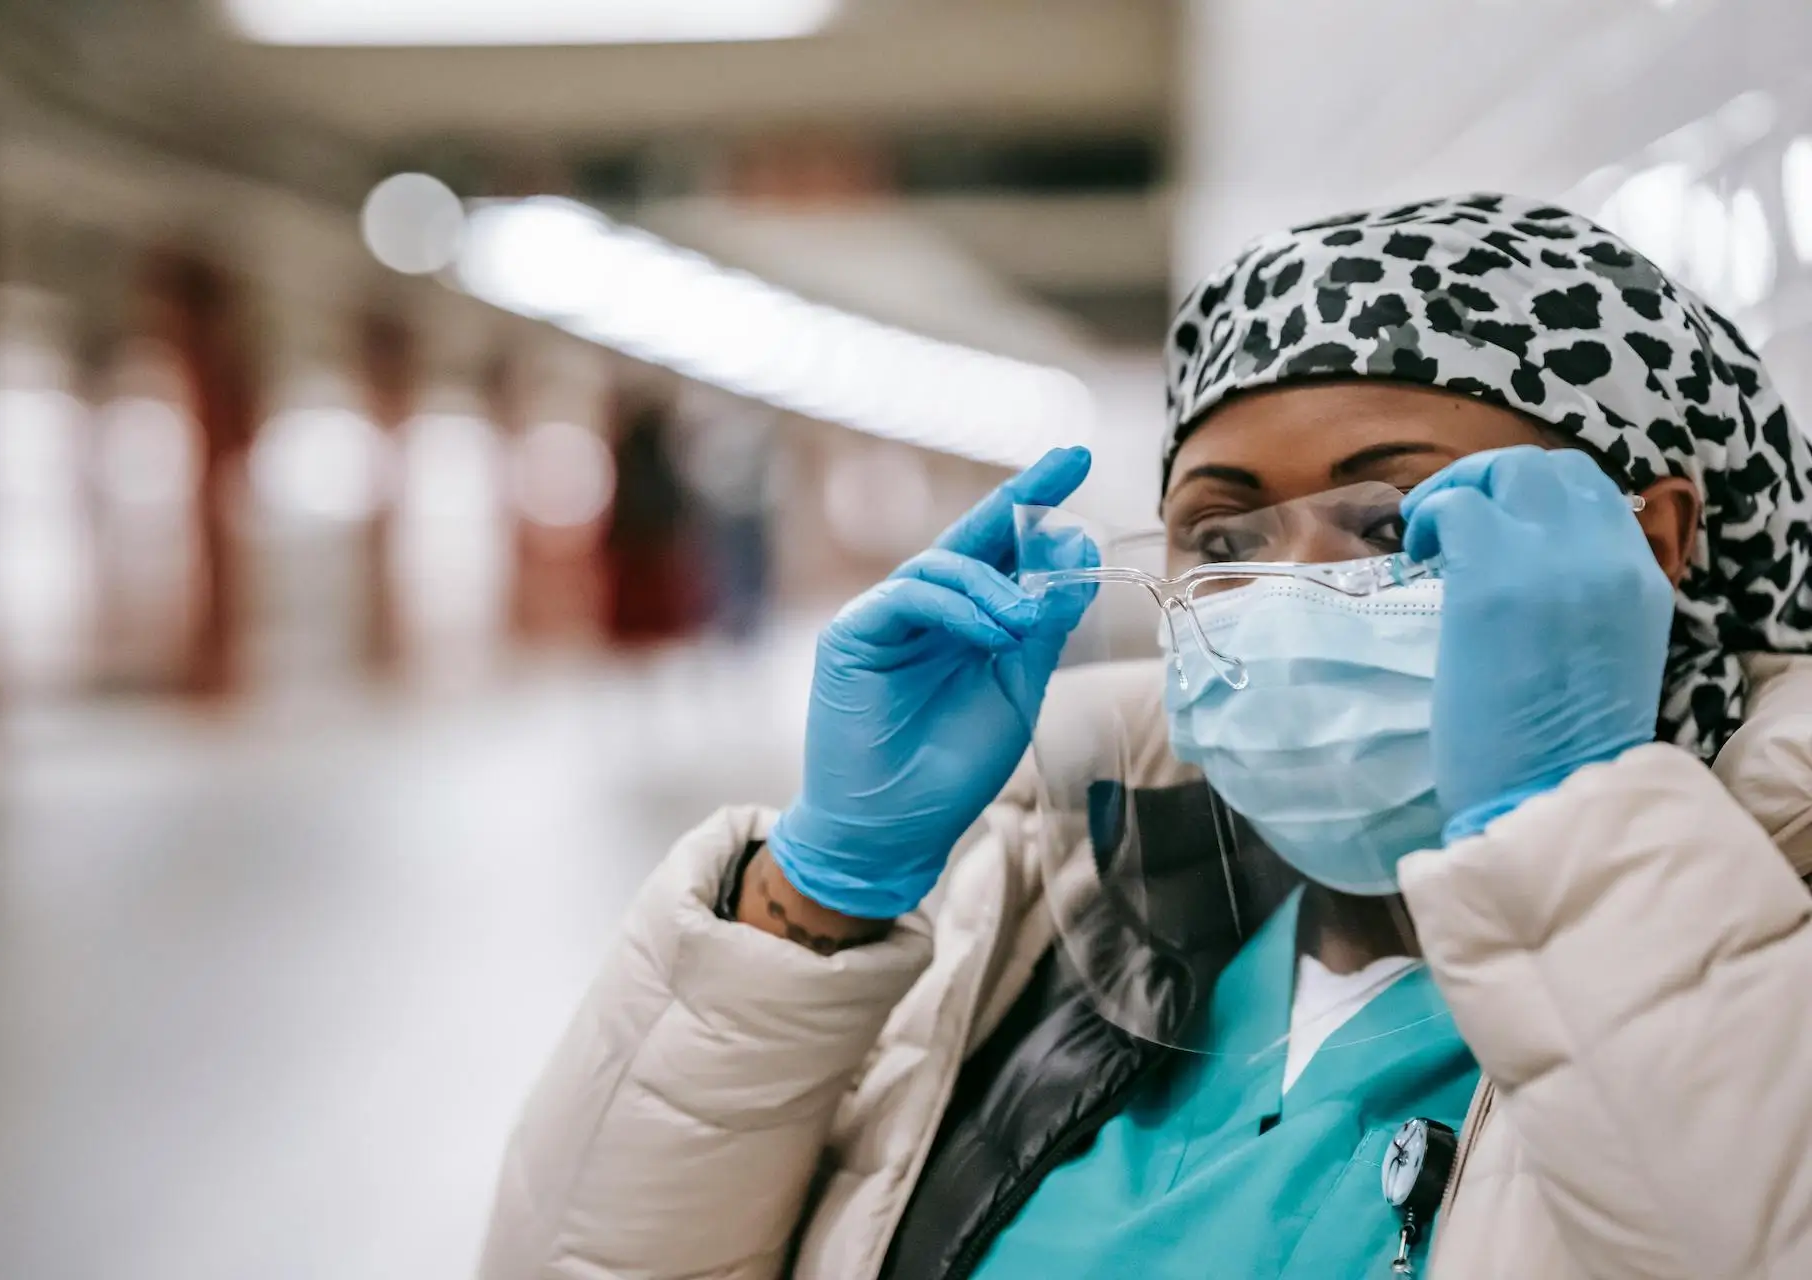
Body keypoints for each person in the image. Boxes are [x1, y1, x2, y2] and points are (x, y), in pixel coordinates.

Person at [476, 195, 1812, 1279]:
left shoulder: (1767, 951)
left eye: (1395, 524)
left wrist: (1572, 839)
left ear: (1651, 545)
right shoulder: (1055, 927)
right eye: (1221, 539)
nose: (1283, 598)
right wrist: (815, 899)